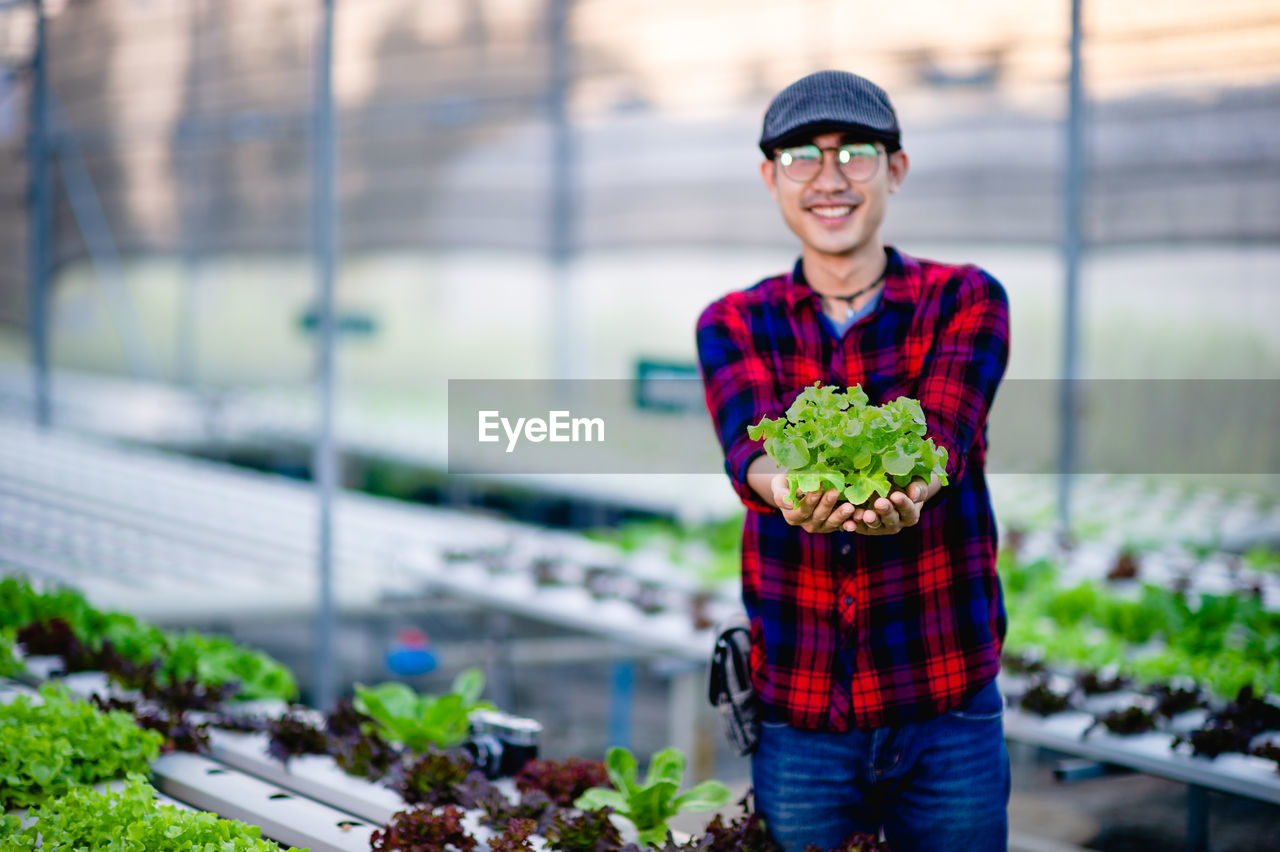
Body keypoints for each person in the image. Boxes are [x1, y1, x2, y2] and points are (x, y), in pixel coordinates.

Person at [696, 70, 1012, 852]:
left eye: (856, 153)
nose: (829, 178)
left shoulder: (965, 299)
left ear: (894, 170)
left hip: (946, 704)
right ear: (771, 178)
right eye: (802, 155)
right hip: (801, 715)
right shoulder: (734, 321)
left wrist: (912, 483)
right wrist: (787, 489)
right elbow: (749, 451)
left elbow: (945, 431)